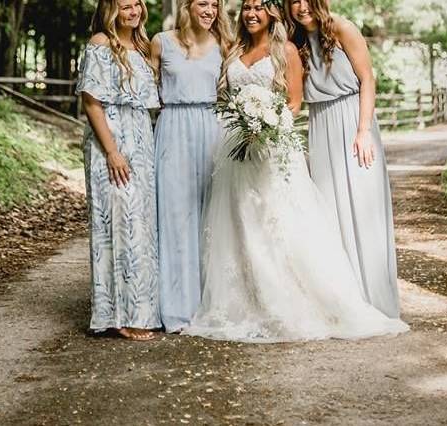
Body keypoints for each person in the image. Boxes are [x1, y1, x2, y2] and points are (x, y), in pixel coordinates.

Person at [182, 0, 409, 343]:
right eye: (247, 7)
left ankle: (368, 297)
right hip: (243, 143)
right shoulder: (248, 47)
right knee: (248, 219)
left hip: (302, 133)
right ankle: (250, 294)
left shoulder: (307, 39)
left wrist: (361, 130)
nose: (253, 13)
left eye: (260, 6)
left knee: (307, 216)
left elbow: (301, 98)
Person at [284, 0, 401, 318]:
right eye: (294, 1)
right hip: (320, 125)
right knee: (331, 210)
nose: (301, 7)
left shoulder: (342, 28)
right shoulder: (293, 41)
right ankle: (345, 299)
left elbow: (368, 80)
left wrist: (363, 131)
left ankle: (374, 297)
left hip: (353, 120)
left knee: (363, 205)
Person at [77, 0, 161, 341]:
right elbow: (91, 100)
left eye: (137, 4)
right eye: (126, 6)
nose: (134, 11)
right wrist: (112, 151)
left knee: (138, 226)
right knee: (116, 223)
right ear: (112, 10)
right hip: (111, 140)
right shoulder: (100, 43)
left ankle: (139, 308)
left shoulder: (140, 46)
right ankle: (116, 315)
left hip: (141, 141)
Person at [150, 0, 232, 333]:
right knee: (174, 214)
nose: (210, 10)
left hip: (209, 128)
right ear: (187, 6)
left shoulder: (224, 45)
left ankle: (207, 303)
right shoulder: (161, 41)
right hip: (172, 126)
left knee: (209, 213)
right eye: (203, 3)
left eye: (215, 4)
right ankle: (175, 307)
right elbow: (143, 90)